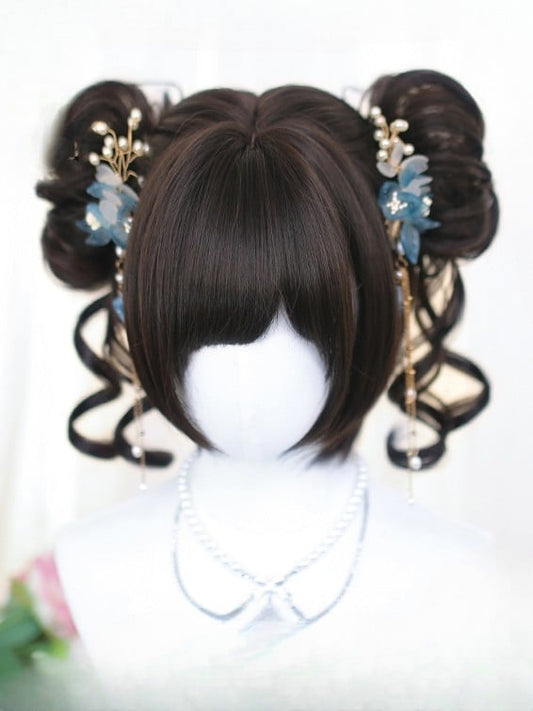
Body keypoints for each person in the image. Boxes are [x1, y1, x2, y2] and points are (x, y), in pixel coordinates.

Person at [23, 69, 513, 708]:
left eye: (303, 320)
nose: (247, 369)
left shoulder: (467, 584)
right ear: (139, 307)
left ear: (378, 301)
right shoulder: (76, 578)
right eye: (205, 323)